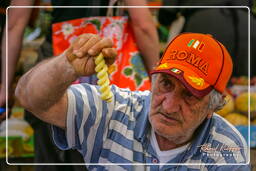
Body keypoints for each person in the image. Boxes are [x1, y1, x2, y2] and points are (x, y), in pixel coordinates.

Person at [15, 32, 249, 170]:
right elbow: (29, 97)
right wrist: (67, 66)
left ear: (214, 107)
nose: (168, 106)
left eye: (189, 95)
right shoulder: (113, 110)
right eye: (166, 84)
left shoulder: (226, 150)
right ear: (153, 78)